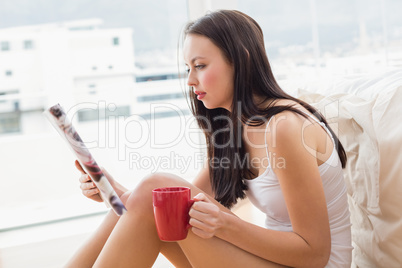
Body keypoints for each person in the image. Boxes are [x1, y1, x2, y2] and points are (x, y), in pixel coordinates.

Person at [66, 10, 352, 268]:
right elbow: (159, 203)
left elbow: (314, 254)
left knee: (156, 186)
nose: (190, 80)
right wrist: (111, 191)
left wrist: (227, 225)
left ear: (241, 59)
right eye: (188, 68)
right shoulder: (234, 127)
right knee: (154, 198)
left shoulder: (286, 127)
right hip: (272, 262)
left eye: (200, 66)